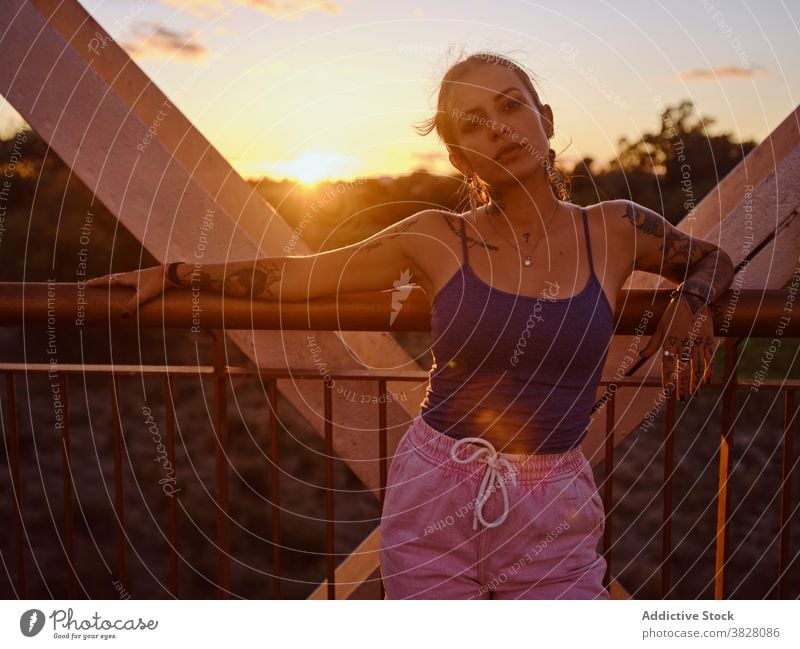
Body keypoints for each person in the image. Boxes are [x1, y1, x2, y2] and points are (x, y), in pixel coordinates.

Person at [86, 50, 735, 600]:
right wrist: (172, 273)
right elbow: (298, 277)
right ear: (460, 158)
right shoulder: (435, 237)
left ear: (547, 120)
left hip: (552, 498)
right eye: (474, 124)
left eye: (512, 107)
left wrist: (691, 302)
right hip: (434, 489)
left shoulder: (617, 229)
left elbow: (711, 259)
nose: (500, 129)